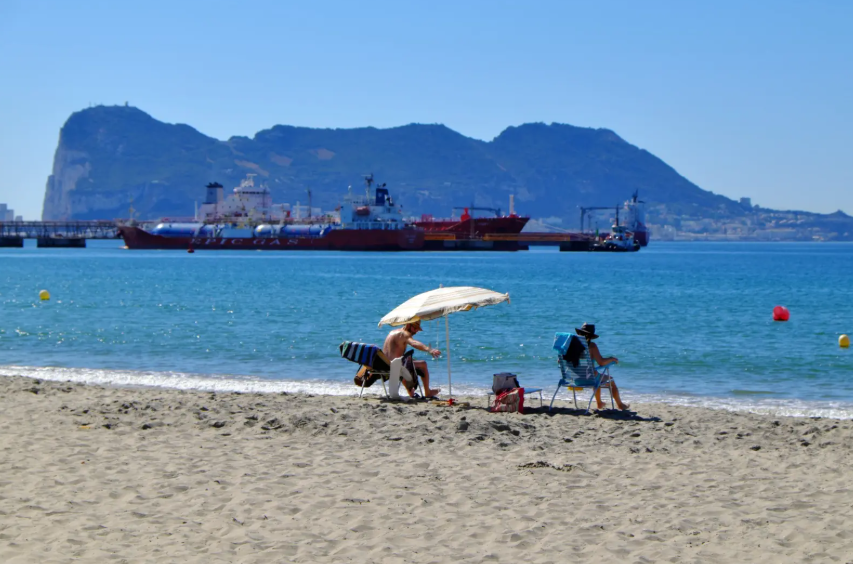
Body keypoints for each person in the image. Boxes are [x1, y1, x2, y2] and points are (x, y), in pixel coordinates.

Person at [575, 323, 630, 411]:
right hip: (589, 379)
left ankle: (599, 403)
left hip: (575, 379)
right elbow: (601, 362)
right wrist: (611, 359)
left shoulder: (571, 346)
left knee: (596, 376)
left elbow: (560, 360)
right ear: (591, 335)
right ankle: (620, 405)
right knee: (610, 380)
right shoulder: (592, 346)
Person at [383, 320, 441, 398]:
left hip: (385, 365)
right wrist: (429, 350)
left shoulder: (393, 332)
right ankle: (428, 392)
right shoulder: (404, 334)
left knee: (406, 362)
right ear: (408, 325)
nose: (416, 331)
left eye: (417, 329)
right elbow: (414, 343)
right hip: (394, 366)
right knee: (423, 364)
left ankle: (411, 392)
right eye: (415, 328)